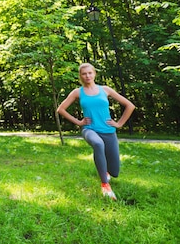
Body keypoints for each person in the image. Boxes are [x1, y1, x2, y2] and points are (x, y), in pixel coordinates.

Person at [57, 63, 136, 200]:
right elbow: (61, 109)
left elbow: (130, 105)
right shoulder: (78, 92)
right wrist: (79, 122)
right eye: (84, 74)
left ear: (94, 74)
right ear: (80, 76)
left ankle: (106, 172)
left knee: (115, 172)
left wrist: (119, 124)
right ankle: (105, 185)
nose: (87, 76)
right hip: (89, 129)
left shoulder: (105, 89)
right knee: (98, 144)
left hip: (109, 131)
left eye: (90, 73)